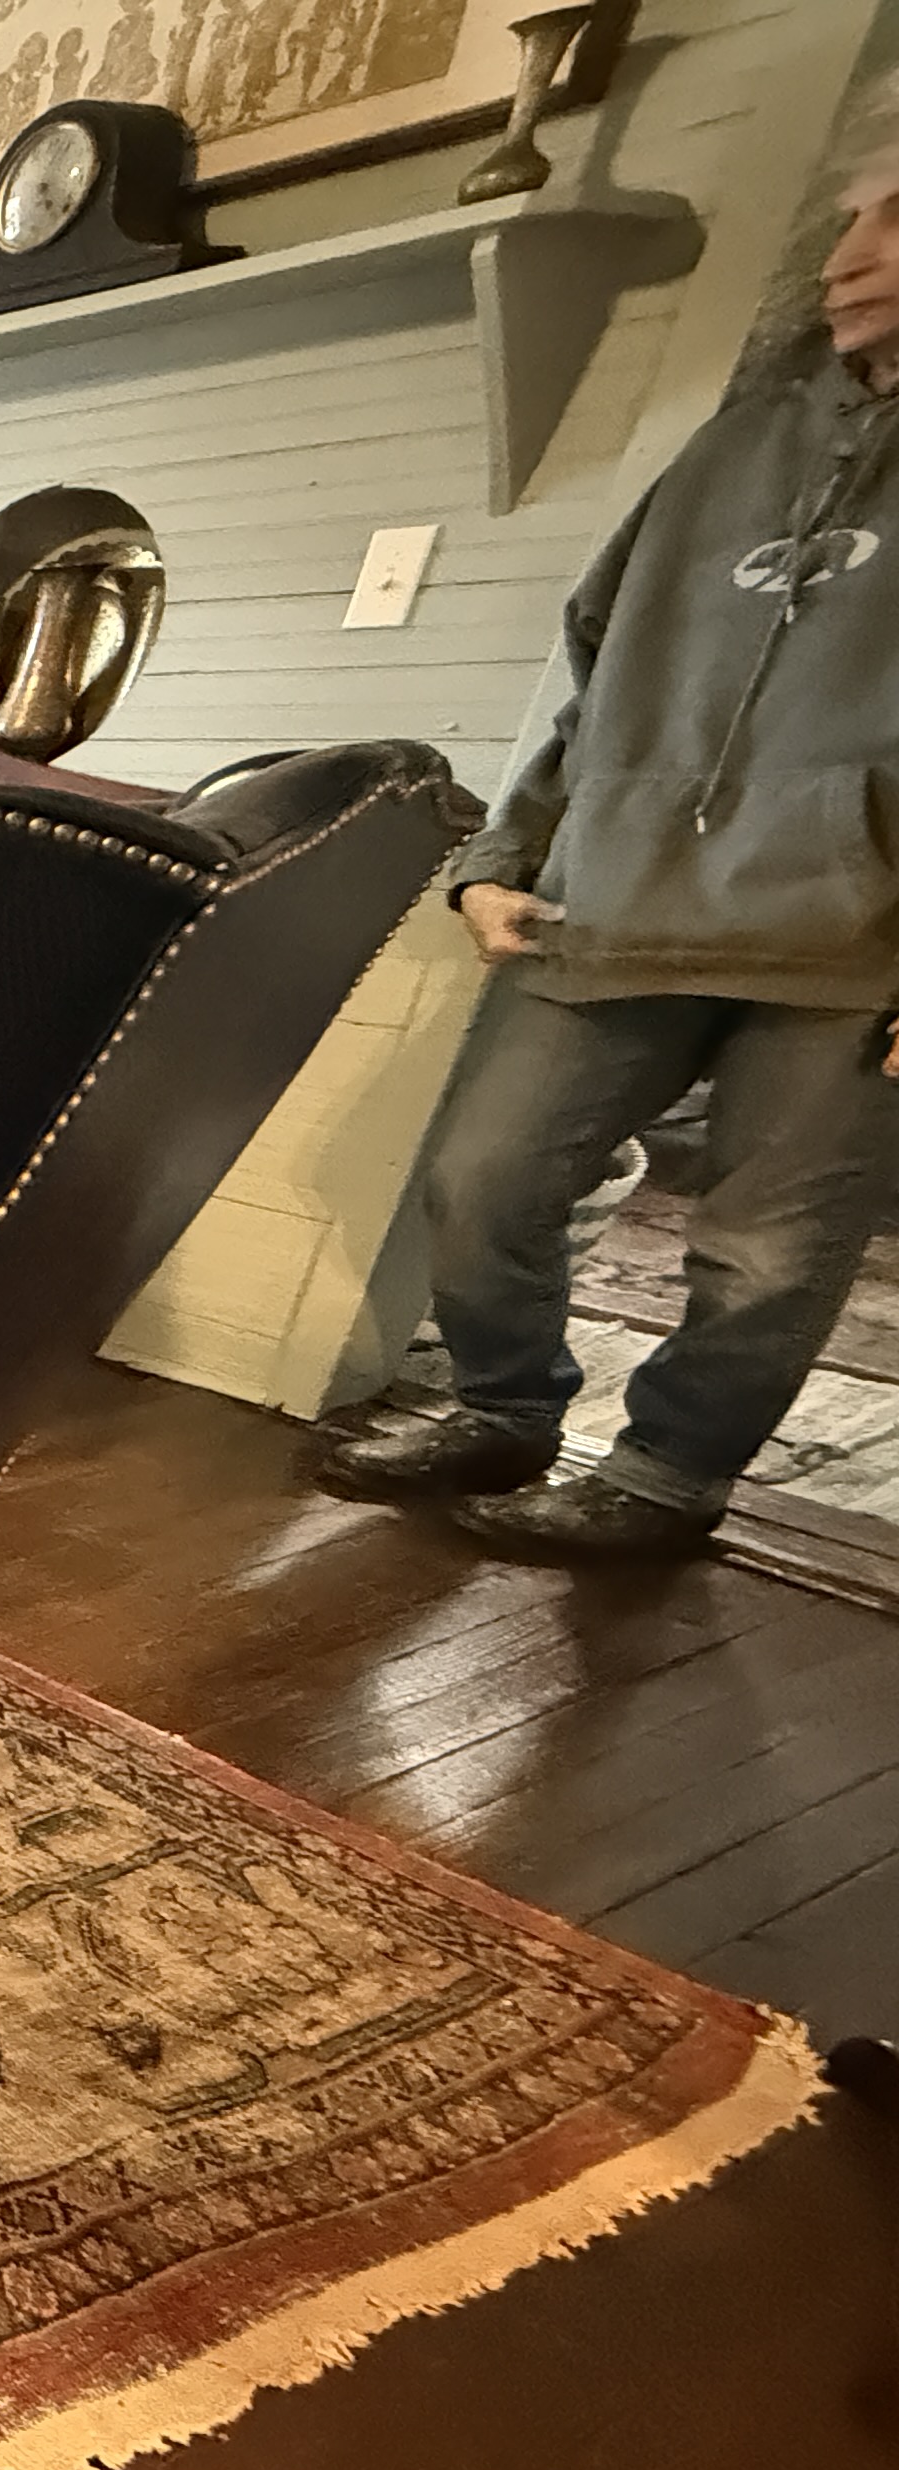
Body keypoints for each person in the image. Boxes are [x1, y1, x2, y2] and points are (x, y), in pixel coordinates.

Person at [313, 98, 899, 1558]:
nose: (851, 255)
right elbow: (598, 665)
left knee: (765, 1249)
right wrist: (501, 857)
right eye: (852, 219)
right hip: (618, 893)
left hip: (854, 945)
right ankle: (504, 1406)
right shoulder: (736, 442)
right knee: (485, 1178)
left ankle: (667, 1479)